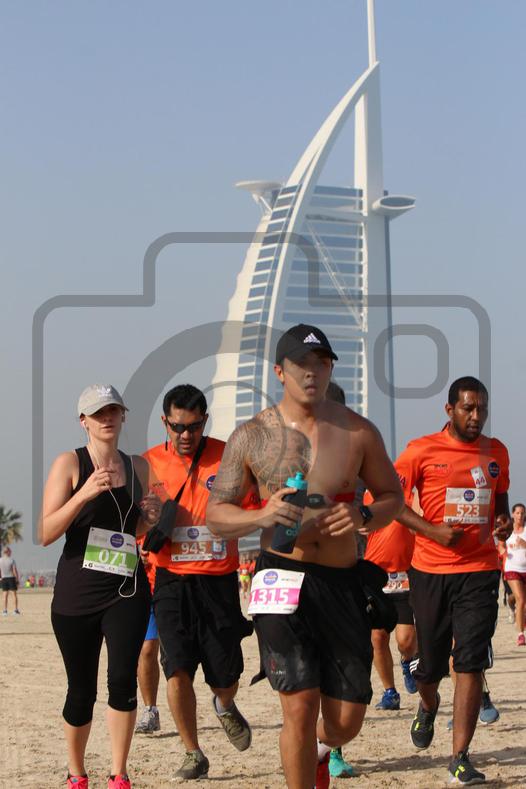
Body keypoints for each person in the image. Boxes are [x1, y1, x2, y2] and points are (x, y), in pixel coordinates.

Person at [207, 324, 404, 789]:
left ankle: (320, 749)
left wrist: (363, 514)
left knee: (345, 721)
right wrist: (260, 516)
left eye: (321, 363)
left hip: (340, 581)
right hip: (280, 577)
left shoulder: (358, 431)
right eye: (301, 364)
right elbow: (216, 514)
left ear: (331, 368)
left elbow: (393, 497)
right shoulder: (252, 436)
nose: (312, 372)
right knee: (298, 705)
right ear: (280, 371)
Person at [390, 376, 511, 785]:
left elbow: (499, 499)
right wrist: (431, 531)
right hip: (430, 571)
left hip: (479, 570)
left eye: (482, 409)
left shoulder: (497, 453)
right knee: (430, 668)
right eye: (468, 408)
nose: (477, 416)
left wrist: (502, 521)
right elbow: (391, 501)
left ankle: (460, 756)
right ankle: (428, 704)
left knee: (470, 660)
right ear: (449, 410)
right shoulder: (421, 450)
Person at [40, 384, 160, 789]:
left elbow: (134, 529)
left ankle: (119, 773)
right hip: (78, 592)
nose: (107, 418)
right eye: (98, 413)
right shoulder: (69, 463)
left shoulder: (138, 466)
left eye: (113, 411)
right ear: (84, 421)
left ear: (123, 416)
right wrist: (84, 494)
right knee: (81, 690)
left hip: (127, 588)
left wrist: (151, 518)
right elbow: (45, 532)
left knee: (123, 680)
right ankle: (76, 774)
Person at [144, 384, 254, 781]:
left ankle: (224, 705)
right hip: (170, 581)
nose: (185, 435)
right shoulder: (148, 464)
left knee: (227, 676)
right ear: (165, 423)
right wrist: (149, 523)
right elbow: (134, 523)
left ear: (205, 421)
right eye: (177, 427)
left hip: (218, 581)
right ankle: (193, 753)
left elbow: (254, 508)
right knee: (177, 669)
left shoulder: (229, 458)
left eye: (193, 426)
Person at [364, 492, 418, 709]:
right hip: (375, 573)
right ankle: (390, 692)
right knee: (377, 638)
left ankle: (407, 661)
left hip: (406, 573)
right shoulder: (368, 494)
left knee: (405, 641)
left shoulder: (412, 492)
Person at [134, 542, 161, 734]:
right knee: (147, 649)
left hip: (175, 587)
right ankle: (150, 710)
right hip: (144, 592)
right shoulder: (131, 526)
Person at [499, 502, 526, 645]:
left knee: (522, 601)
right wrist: (503, 552)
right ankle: (521, 635)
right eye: (517, 513)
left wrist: (524, 544)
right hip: (512, 569)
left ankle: (517, 614)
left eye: (522, 513)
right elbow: (501, 546)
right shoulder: (508, 531)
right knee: (521, 599)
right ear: (513, 514)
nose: (520, 515)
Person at [1, 546, 20, 615]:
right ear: (8, 552)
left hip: (4, 578)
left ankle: (5, 611)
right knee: (14, 595)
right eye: (10, 551)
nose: (11, 552)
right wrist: (17, 579)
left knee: (5, 595)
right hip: (11, 578)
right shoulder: (11, 560)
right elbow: (14, 571)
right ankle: (15, 610)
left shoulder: (0, 560)